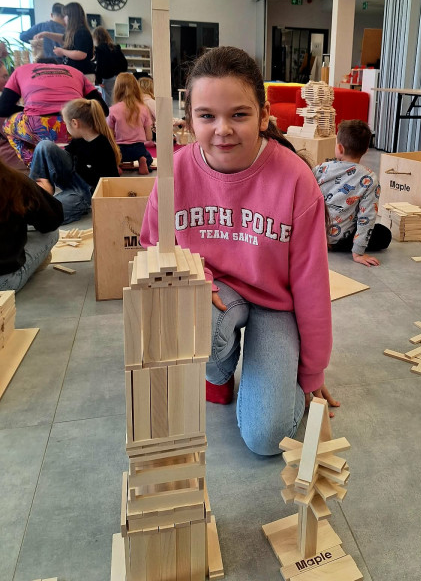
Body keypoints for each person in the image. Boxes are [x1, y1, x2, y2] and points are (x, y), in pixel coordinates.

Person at [140, 46, 336, 456]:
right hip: (213, 295)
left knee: (267, 439)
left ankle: (263, 372)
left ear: (264, 116)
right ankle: (219, 370)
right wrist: (201, 281)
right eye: (207, 115)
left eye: (239, 115)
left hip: (274, 305)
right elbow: (152, 248)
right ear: (189, 117)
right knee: (197, 322)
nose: (222, 129)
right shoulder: (173, 174)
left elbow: (312, 285)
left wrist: (310, 373)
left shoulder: (296, 181)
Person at [30, 98, 121, 224]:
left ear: (74, 123)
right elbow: (63, 158)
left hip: (85, 192)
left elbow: (111, 181)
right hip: (73, 178)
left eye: (66, 123)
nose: (66, 127)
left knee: (46, 214)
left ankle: (39, 204)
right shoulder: (78, 140)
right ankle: (32, 192)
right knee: (44, 145)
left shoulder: (103, 146)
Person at [0, 59, 107, 166]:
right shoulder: (75, 72)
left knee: (7, 125)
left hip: (37, 126)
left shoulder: (20, 70)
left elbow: (3, 109)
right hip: (75, 126)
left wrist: (30, 109)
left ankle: (35, 165)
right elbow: (103, 109)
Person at [314, 119, 391, 266]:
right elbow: (366, 217)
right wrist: (358, 253)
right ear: (366, 150)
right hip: (341, 239)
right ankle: (336, 244)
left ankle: (322, 242)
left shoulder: (321, 168)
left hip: (314, 236)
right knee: (384, 234)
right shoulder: (369, 178)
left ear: (340, 148)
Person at [0, 159, 63, 292]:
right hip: (5, 281)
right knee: (51, 232)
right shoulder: (13, 180)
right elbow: (51, 221)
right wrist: (41, 195)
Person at [107, 72, 153, 174]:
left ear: (117, 89)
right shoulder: (143, 109)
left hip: (119, 150)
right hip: (138, 149)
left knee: (108, 157)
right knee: (148, 158)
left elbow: (109, 136)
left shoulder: (113, 110)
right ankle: (142, 160)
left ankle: (116, 166)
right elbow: (149, 137)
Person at [37, 2, 95, 79]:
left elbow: (81, 54)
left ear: (71, 17)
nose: (63, 19)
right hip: (77, 74)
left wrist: (62, 52)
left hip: (83, 74)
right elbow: (63, 38)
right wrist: (46, 34)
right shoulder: (75, 32)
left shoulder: (81, 32)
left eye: (65, 16)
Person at [93, 26, 128, 106]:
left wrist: (99, 80)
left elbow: (100, 65)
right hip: (118, 77)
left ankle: (110, 118)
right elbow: (124, 63)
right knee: (118, 98)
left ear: (96, 37)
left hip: (107, 78)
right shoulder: (116, 47)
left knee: (108, 101)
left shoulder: (99, 49)